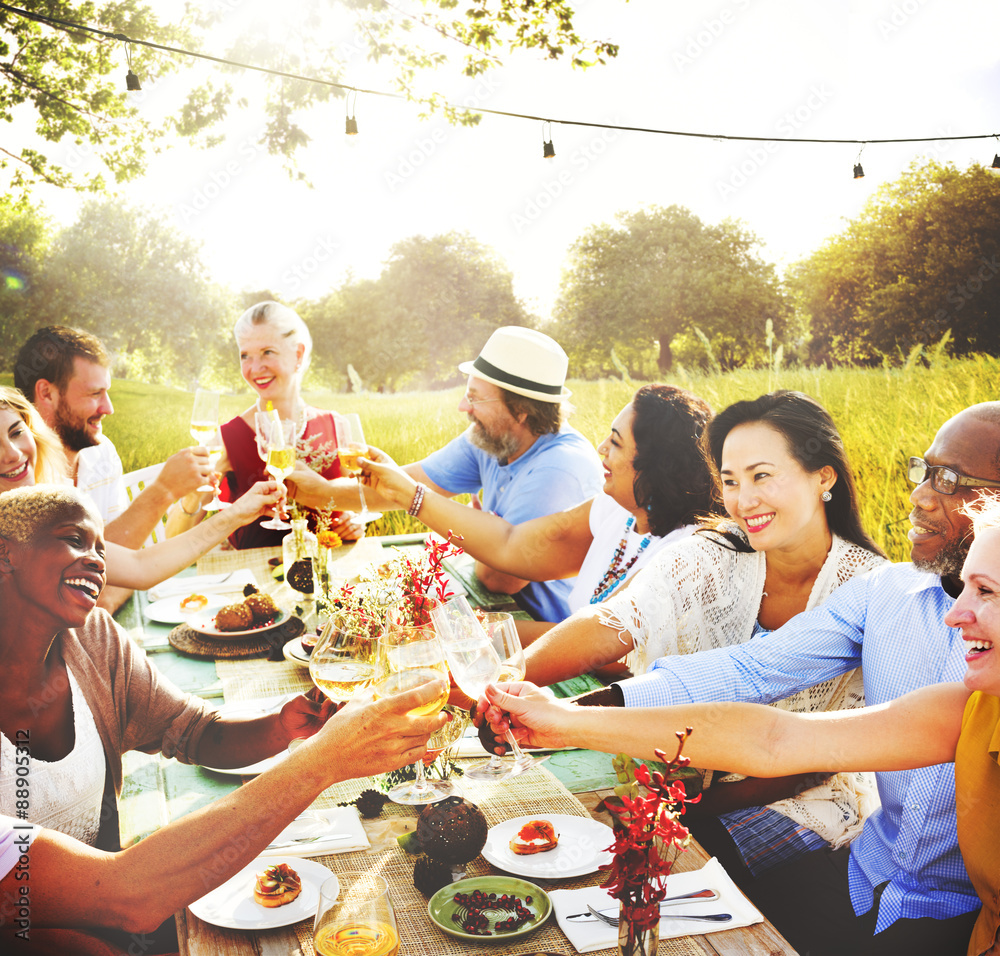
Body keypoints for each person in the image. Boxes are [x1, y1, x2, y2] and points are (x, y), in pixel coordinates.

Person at [518, 401, 1000, 955]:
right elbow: (755, 683)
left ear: (824, 479)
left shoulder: (868, 582)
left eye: (949, 480)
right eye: (924, 472)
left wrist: (570, 721)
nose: (917, 495)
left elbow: (796, 755)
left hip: (964, 918)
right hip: (866, 877)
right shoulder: (886, 595)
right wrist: (575, 714)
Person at [496, 391, 887, 873]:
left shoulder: (871, 589)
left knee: (660, 861)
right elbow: (614, 619)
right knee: (556, 837)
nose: (744, 501)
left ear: (822, 475)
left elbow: (811, 762)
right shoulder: (713, 553)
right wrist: (506, 678)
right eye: (730, 481)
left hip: (806, 793)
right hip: (681, 768)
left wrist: (683, 807)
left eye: (762, 476)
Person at [363, 384, 714, 647]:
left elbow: (603, 649)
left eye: (617, 443)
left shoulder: (687, 554)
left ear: (657, 468)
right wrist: (408, 494)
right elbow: (512, 545)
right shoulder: (617, 508)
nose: (600, 448)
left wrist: (463, 629)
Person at [291, 326, 604, 621]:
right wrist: (318, 491)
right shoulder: (490, 438)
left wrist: (478, 536)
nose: (462, 407)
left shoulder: (559, 468)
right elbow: (397, 485)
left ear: (522, 410)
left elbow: (500, 579)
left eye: (475, 397)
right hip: (492, 608)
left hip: (543, 630)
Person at [0, 386, 282, 592]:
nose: (12, 453)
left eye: (16, 432)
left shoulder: (43, 515)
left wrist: (240, 512)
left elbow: (141, 567)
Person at [14, 326, 212, 610]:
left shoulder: (101, 452)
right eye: (95, 393)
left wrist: (114, 586)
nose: (108, 407)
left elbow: (119, 562)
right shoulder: (17, 472)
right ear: (47, 393)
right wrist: (163, 491)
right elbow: (83, 585)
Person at [166, 300, 363, 549]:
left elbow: (356, 503)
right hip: (253, 582)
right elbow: (172, 539)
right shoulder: (227, 439)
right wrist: (194, 493)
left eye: (268, 352)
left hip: (329, 575)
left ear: (298, 355)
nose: (255, 368)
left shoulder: (336, 426)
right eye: (245, 356)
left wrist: (354, 522)